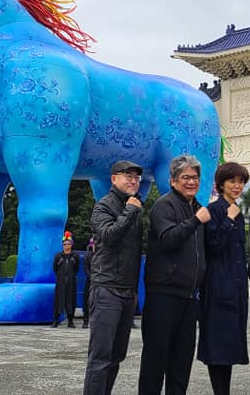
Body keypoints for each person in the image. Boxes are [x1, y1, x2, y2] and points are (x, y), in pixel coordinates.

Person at [139, 154, 210, 395]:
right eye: (185, 177)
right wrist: (195, 221)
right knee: (155, 360)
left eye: (195, 177)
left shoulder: (199, 209)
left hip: (190, 298)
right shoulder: (164, 205)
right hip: (163, 295)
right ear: (172, 181)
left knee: (181, 362)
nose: (191, 182)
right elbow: (169, 239)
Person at [83, 160, 145, 395]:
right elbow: (109, 237)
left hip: (128, 290)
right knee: (100, 357)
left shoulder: (136, 206)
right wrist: (129, 211)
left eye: (136, 177)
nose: (133, 180)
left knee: (117, 355)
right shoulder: (103, 206)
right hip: (106, 289)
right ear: (113, 179)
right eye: (127, 176)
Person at [198, 162, 250, 395]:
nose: (237, 186)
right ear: (221, 185)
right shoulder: (215, 210)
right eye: (232, 181)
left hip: (237, 287)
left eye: (241, 181)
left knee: (229, 345)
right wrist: (228, 220)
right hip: (218, 287)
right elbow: (213, 246)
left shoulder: (237, 211)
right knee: (217, 345)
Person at [52, 231, 80, 328]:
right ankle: (55, 320)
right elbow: (55, 268)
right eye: (65, 244)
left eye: (68, 244)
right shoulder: (58, 256)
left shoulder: (75, 256)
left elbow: (77, 268)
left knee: (71, 300)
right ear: (62, 245)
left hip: (71, 282)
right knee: (58, 300)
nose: (66, 246)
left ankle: (70, 321)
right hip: (60, 281)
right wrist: (60, 276)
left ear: (71, 245)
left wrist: (71, 276)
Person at [82, 238, 95, 329]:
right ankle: (85, 320)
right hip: (90, 280)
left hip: (100, 281)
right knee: (86, 300)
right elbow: (86, 268)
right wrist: (91, 277)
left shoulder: (101, 255)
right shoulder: (87, 256)